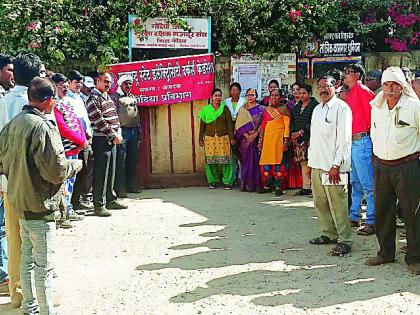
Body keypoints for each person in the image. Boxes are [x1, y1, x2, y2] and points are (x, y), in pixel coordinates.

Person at [0, 77, 83, 315]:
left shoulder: (14, 123)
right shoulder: (42, 127)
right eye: (54, 99)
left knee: (26, 258)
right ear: (47, 102)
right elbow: (55, 171)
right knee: (43, 264)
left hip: (19, 199)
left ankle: (30, 306)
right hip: (40, 203)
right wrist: (73, 166)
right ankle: (47, 310)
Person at [0, 52, 45, 309]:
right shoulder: (39, 106)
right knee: (38, 239)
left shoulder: (4, 102)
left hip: (10, 182)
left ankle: (17, 291)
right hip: (35, 185)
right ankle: (37, 293)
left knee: (14, 237)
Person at [366, 67, 420, 275]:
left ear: (402, 86)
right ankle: (385, 253)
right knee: (383, 211)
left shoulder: (413, 106)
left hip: (407, 166)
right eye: (387, 84)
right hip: (382, 165)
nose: (390, 88)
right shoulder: (377, 106)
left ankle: (415, 258)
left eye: (394, 84)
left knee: (412, 213)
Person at [308, 75, 353, 256]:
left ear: (336, 87)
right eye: (320, 87)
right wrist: (311, 164)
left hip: (334, 167)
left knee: (338, 204)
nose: (322, 90)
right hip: (317, 164)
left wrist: (336, 165)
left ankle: (345, 240)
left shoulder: (341, 108)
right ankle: (328, 233)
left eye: (327, 86)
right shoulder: (317, 109)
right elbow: (315, 139)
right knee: (320, 202)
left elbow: (344, 140)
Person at [87, 72, 127, 217]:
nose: (108, 84)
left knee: (111, 171)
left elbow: (114, 117)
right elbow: (98, 120)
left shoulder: (107, 96)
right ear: (97, 81)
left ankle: (111, 199)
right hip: (101, 139)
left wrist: (119, 132)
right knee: (101, 173)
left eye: (109, 82)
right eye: (105, 81)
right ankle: (99, 205)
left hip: (113, 138)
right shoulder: (93, 98)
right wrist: (113, 134)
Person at [343, 63, 376, 236]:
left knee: (368, 184)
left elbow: (372, 117)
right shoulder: (352, 93)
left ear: (357, 75)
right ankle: (354, 215)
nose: (345, 75)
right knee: (355, 182)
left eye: (348, 72)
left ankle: (372, 220)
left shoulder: (363, 91)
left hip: (362, 140)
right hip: (354, 141)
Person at [51, 73, 87, 222]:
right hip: (65, 149)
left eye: (66, 86)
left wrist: (83, 139)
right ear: (54, 87)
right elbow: (63, 129)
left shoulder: (68, 102)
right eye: (62, 86)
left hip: (75, 148)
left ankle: (69, 209)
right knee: (64, 183)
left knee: (71, 181)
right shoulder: (54, 105)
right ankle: (63, 213)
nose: (65, 89)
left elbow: (78, 123)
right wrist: (80, 140)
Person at [67, 70, 94, 212]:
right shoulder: (67, 99)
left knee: (85, 171)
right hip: (75, 141)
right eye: (76, 82)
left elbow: (85, 120)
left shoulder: (80, 98)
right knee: (75, 173)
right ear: (69, 82)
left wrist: (89, 135)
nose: (79, 85)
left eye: (80, 82)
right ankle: (74, 203)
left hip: (86, 139)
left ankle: (80, 200)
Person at [198, 88, 235, 189]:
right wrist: (200, 138)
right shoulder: (206, 110)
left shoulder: (225, 108)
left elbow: (229, 124)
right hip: (210, 139)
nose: (217, 98)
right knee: (210, 161)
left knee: (226, 160)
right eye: (216, 95)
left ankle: (227, 181)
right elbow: (202, 125)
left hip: (223, 138)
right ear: (212, 97)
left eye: (219, 96)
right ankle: (212, 181)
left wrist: (232, 138)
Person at [112, 75, 141, 198]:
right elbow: (114, 114)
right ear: (121, 85)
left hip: (134, 131)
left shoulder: (132, 97)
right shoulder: (115, 97)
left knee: (132, 160)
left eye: (130, 84)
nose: (128, 86)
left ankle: (131, 185)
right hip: (122, 131)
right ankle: (120, 188)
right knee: (121, 161)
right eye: (126, 84)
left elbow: (137, 115)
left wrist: (139, 131)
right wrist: (116, 131)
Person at [258, 88, 290, 196]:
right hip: (267, 140)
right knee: (266, 163)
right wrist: (261, 140)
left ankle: (279, 186)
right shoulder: (267, 109)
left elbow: (287, 126)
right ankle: (267, 185)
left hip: (278, 140)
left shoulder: (284, 109)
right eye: (272, 95)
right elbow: (263, 126)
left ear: (280, 97)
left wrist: (286, 142)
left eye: (276, 95)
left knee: (278, 163)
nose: (274, 97)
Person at [234, 88, 265, 192]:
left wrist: (255, 134)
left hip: (256, 139)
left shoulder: (262, 109)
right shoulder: (242, 110)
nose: (250, 97)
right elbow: (238, 126)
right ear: (246, 96)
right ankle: (245, 184)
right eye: (248, 95)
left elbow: (262, 124)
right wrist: (247, 136)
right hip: (245, 140)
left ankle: (255, 185)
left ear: (256, 96)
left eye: (252, 95)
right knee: (246, 162)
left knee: (256, 162)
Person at [291, 84, 318, 196]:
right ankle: (306, 187)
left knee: (312, 163)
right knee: (303, 163)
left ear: (309, 94)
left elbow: (314, 123)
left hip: (311, 138)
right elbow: (294, 121)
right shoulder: (297, 107)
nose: (301, 95)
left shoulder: (315, 106)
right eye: (300, 93)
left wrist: (301, 132)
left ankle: (314, 188)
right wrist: (293, 134)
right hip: (299, 140)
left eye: (304, 93)